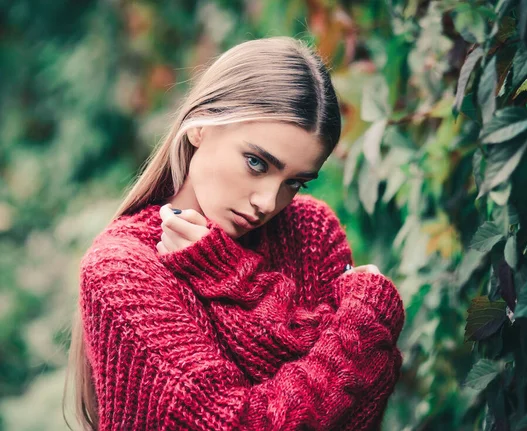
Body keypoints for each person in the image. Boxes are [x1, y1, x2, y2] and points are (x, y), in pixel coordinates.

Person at [63, 36, 405, 431]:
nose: (267, 201)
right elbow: (242, 423)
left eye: (295, 182)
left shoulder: (310, 229)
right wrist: (366, 321)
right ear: (202, 127)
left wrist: (224, 271)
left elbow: (361, 414)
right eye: (257, 163)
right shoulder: (122, 268)